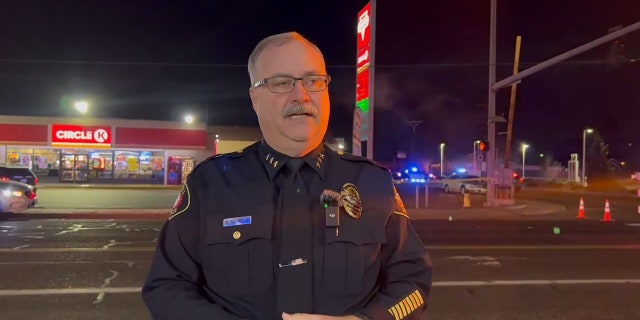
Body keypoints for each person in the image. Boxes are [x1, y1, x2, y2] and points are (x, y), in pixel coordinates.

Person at [142, 31, 432, 320]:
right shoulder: (210, 184)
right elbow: (166, 287)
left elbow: (413, 281)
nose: (301, 95)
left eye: (313, 81)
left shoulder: (372, 183)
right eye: (282, 83)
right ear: (255, 98)